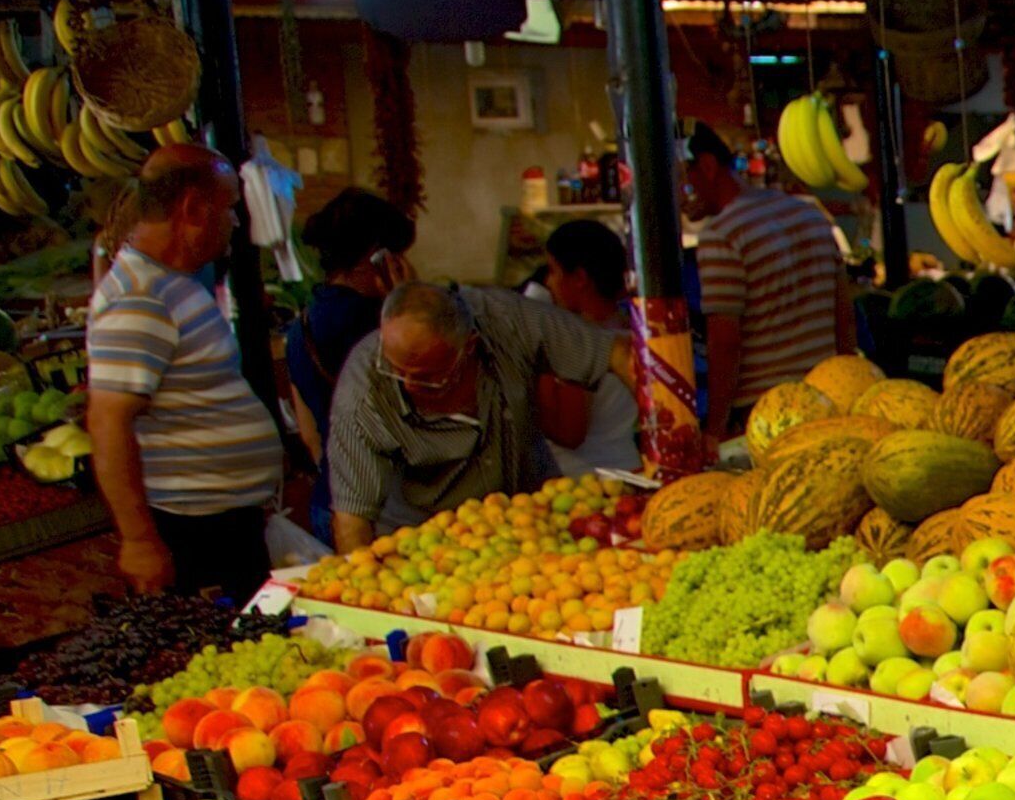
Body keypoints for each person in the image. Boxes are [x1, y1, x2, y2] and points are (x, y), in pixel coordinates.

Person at [86, 146, 285, 597]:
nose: (236, 222)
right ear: (193, 209)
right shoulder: (138, 300)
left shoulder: (174, 281)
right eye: (230, 207)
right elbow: (107, 421)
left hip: (225, 519)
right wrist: (139, 541)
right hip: (194, 532)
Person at [324, 280, 629, 551]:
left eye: (428, 378)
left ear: (468, 347)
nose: (406, 384)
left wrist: (669, 430)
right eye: (394, 368)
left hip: (538, 525)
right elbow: (352, 518)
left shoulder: (505, 321)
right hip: (432, 545)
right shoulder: (363, 394)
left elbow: (618, 354)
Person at [680, 120, 854, 423]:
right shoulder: (808, 214)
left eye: (682, 182)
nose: (681, 199)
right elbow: (844, 312)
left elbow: (725, 344)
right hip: (828, 399)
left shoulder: (721, 235)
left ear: (707, 167)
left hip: (765, 412)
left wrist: (716, 427)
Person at [284, 187, 413, 532]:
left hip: (332, 498)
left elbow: (310, 432)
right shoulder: (380, 326)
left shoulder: (302, 325)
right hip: (386, 507)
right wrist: (407, 305)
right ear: (379, 256)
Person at [531, 219, 642, 476]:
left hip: (586, 479)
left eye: (553, 271)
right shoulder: (632, 330)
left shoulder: (579, 341)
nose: (548, 282)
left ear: (580, 278)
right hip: (625, 464)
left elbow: (570, 432)